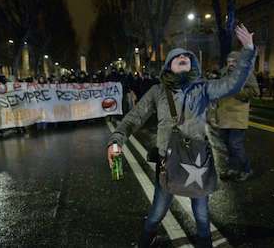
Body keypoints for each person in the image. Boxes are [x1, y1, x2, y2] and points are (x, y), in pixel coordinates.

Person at [107, 24, 256, 248]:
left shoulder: (203, 88)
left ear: (192, 64)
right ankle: (145, 242)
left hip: (197, 162)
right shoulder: (157, 91)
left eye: (187, 56)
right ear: (169, 66)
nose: (184, 56)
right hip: (167, 163)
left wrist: (248, 50)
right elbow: (134, 117)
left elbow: (233, 84)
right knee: (157, 213)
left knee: (203, 216)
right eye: (178, 57)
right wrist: (116, 140)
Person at [206, 51, 258, 182]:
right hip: (223, 116)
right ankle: (233, 168)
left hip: (237, 116)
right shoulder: (223, 74)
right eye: (229, 61)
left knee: (235, 145)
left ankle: (247, 169)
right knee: (227, 145)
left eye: (234, 61)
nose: (231, 64)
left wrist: (236, 90)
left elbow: (254, 91)